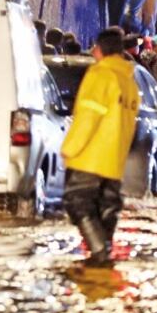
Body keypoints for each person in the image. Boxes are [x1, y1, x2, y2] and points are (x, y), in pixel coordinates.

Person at [61, 27, 140, 268]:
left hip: (90, 157)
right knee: (106, 207)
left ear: (101, 50)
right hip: (114, 161)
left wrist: (70, 148)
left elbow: (88, 116)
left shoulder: (100, 75)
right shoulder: (128, 83)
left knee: (78, 202)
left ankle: (99, 252)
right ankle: (103, 251)